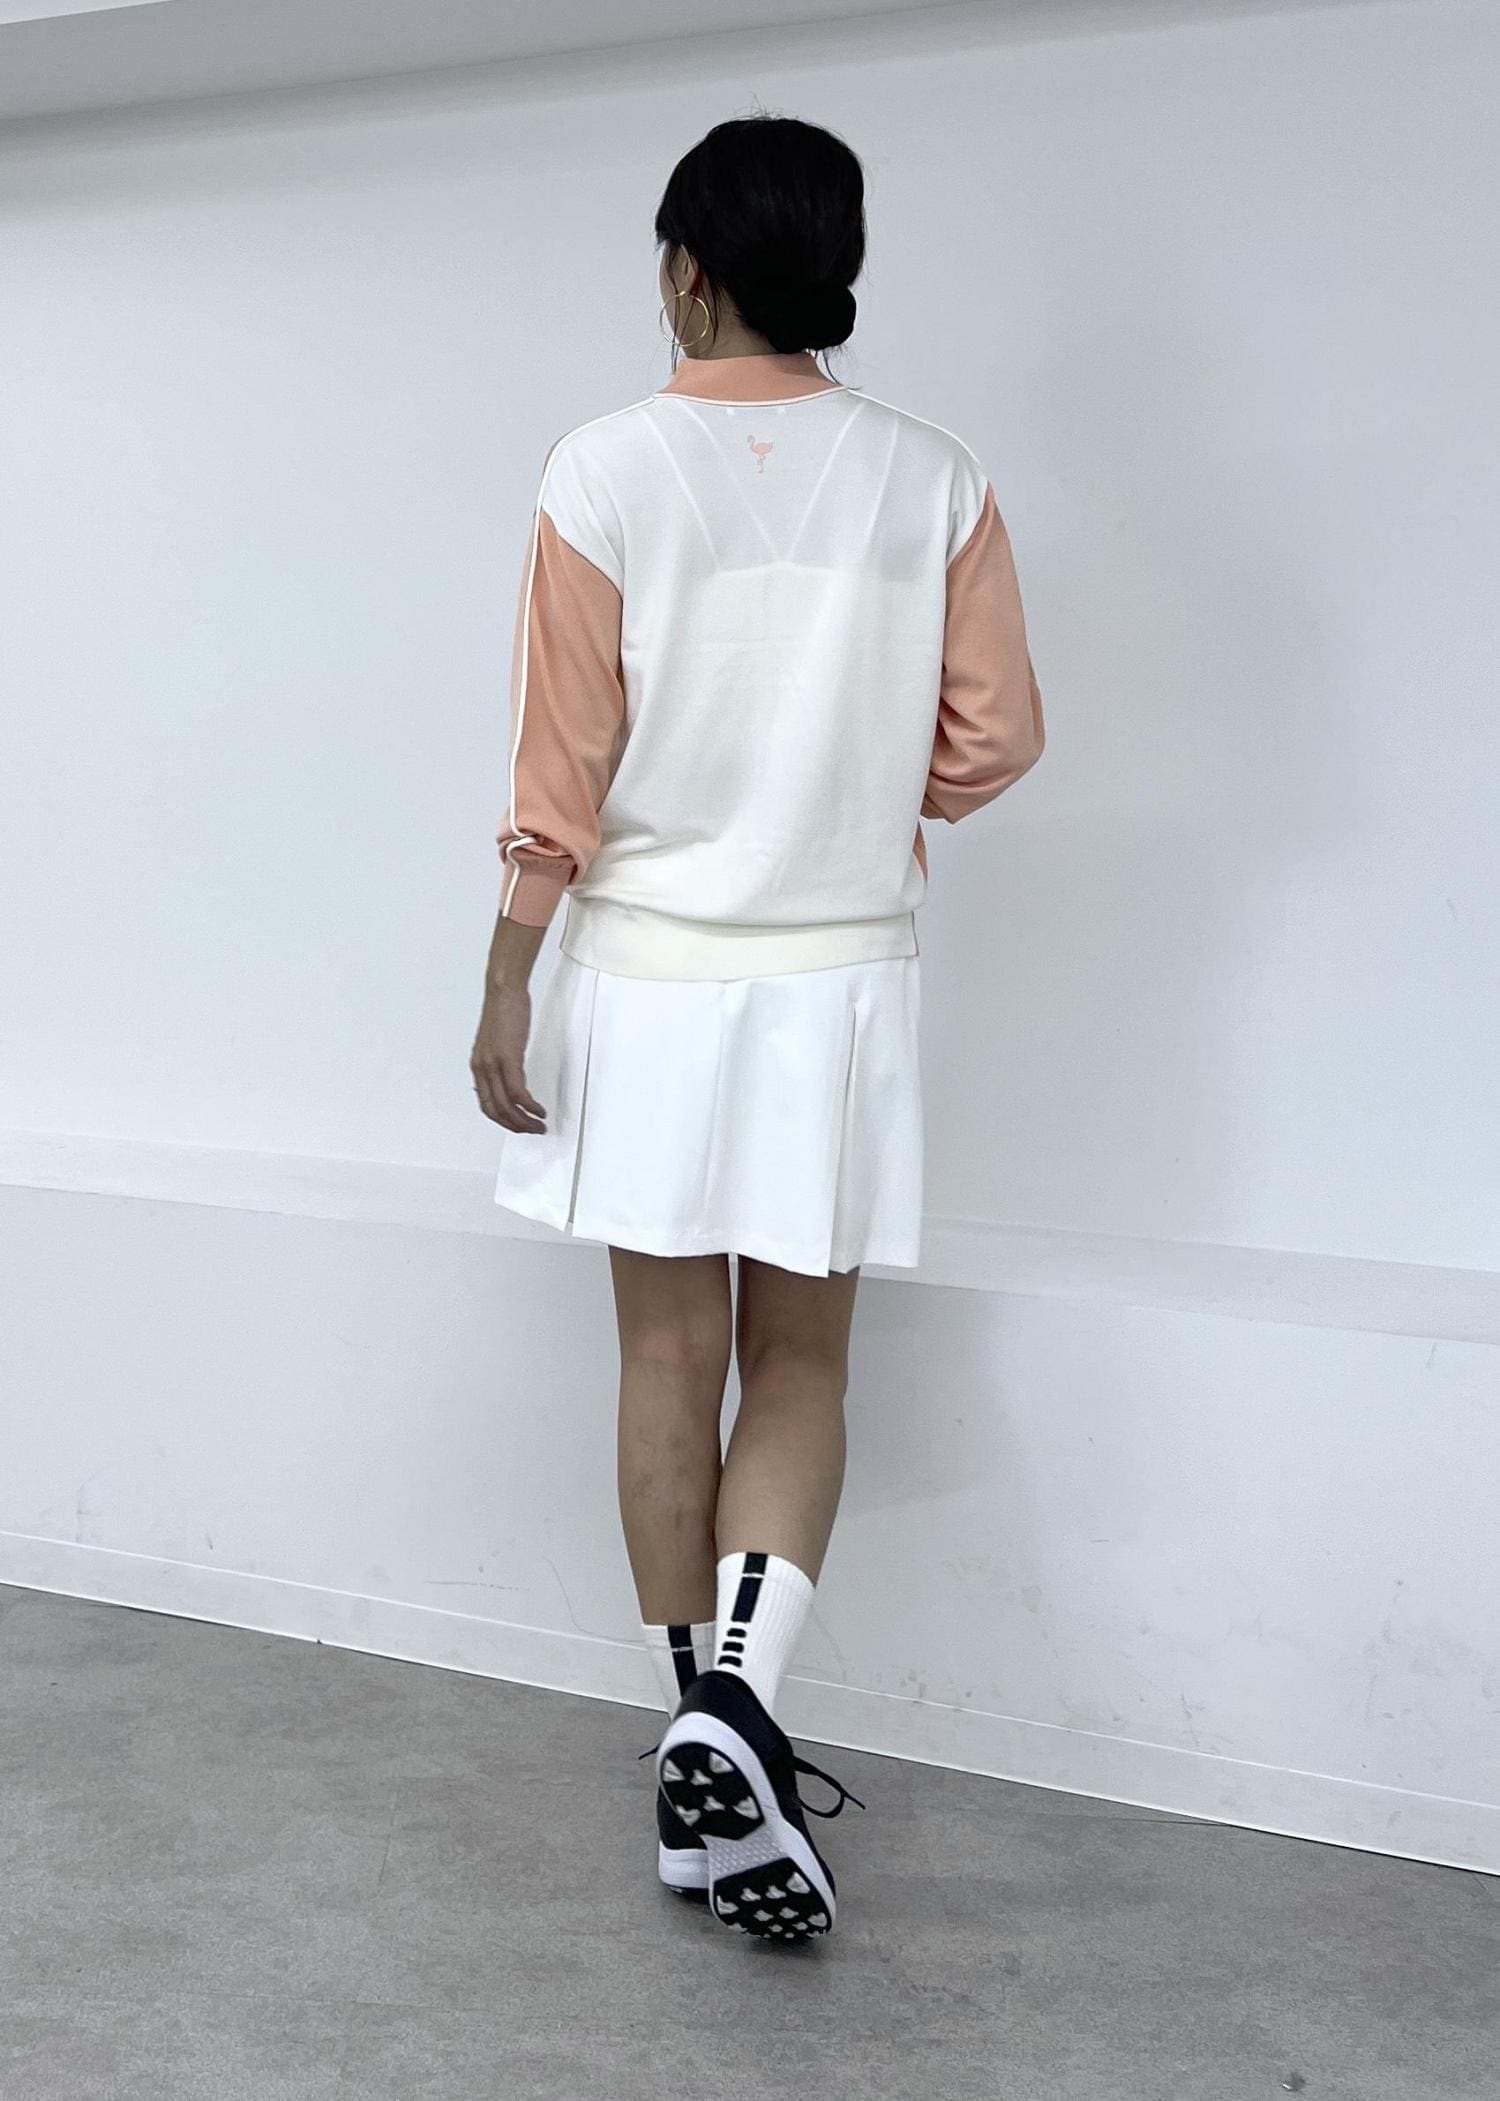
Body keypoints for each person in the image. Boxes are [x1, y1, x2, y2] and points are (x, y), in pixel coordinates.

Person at [471, 113, 1044, 1944]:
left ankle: (697, 1735)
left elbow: (559, 769)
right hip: (837, 976)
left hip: (644, 971)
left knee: (665, 1355)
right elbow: (998, 736)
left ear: (689, 271)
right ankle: (738, 1714)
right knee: (801, 1361)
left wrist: (507, 971)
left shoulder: (604, 469)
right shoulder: (933, 478)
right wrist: (857, 794)